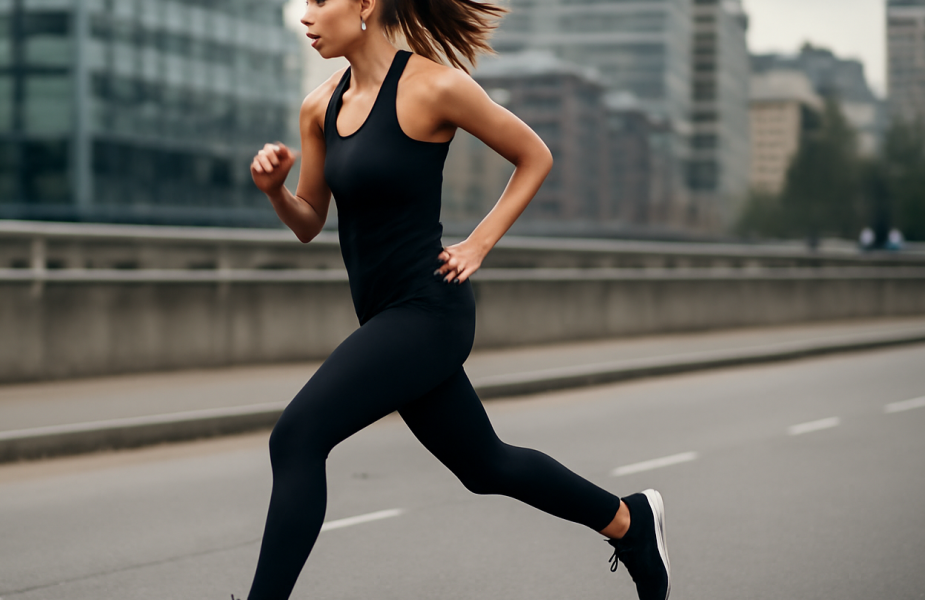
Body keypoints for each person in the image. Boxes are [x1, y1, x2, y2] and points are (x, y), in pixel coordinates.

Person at [243, 1, 670, 598]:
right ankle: (630, 522)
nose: (306, 15)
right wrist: (274, 191)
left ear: (365, 3)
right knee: (485, 466)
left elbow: (534, 155)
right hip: (384, 315)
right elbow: (310, 219)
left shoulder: (434, 86)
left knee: (297, 437)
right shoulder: (319, 106)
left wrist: (478, 243)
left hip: (428, 312)